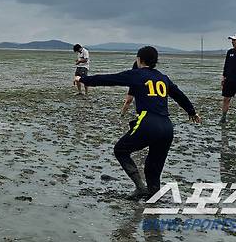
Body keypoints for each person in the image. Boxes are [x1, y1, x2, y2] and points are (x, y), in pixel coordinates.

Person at [75, 46, 200, 200]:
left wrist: (83, 79)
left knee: (120, 150)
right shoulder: (163, 77)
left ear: (139, 59)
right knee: (153, 168)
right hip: (167, 127)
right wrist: (192, 112)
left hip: (148, 122)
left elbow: (109, 78)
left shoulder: (137, 75)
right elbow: (179, 95)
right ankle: (153, 202)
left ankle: (140, 188)